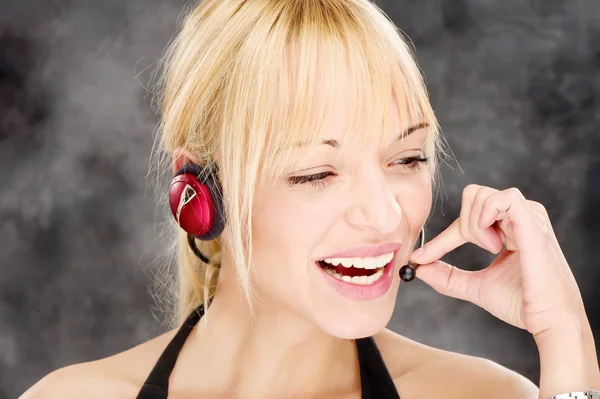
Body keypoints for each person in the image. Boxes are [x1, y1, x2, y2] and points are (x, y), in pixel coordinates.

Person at [21, 0, 600, 398]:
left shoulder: (484, 396)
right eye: (316, 173)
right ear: (198, 195)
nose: (385, 215)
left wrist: (567, 340)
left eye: (406, 159)